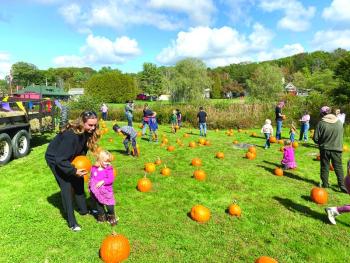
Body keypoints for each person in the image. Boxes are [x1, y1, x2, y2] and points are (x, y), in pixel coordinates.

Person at [45, 110, 99, 231]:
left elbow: (81, 152)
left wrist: (80, 168)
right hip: (55, 158)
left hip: (68, 156)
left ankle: (83, 210)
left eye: (95, 125)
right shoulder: (71, 136)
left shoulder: (87, 132)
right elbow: (60, 159)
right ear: (82, 122)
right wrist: (73, 171)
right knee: (67, 186)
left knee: (78, 181)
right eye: (90, 125)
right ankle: (72, 223)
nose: (93, 127)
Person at [313, 106, 347, 193]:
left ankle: (325, 184)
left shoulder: (321, 123)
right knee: (338, 167)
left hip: (325, 149)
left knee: (325, 166)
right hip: (337, 149)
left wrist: (322, 141)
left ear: (322, 114)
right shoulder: (339, 123)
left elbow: (316, 139)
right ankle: (342, 186)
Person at [89, 150, 118, 226]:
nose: (108, 163)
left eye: (109, 161)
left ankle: (111, 216)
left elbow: (110, 179)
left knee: (109, 206)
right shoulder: (94, 168)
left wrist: (103, 181)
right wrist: (91, 186)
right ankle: (102, 216)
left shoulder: (109, 169)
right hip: (97, 192)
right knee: (99, 205)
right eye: (106, 161)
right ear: (100, 160)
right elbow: (91, 178)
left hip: (106, 191)